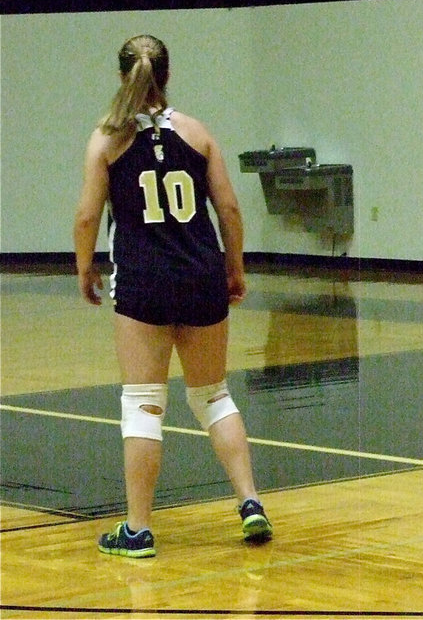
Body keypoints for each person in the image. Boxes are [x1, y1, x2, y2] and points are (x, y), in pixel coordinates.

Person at [73, 34, 272, 558]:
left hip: (144, 281)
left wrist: (83, 266)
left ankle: (138, 530)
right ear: (168, 75)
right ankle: (250, 503)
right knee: (213, 395)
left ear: (123, 77)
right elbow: (228, 210)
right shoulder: (197, 133)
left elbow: (87, 216)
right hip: (201, 274)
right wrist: (234, 267)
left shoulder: (107, 140)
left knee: (142, 404)